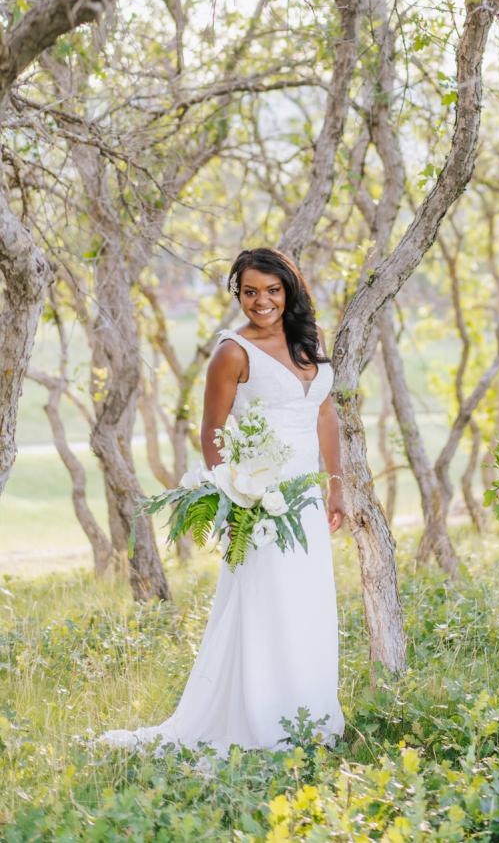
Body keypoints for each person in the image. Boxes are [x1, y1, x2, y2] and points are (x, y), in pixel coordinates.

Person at [100, 246, 346, 755]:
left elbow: (323, 414)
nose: (261, 301)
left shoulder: (309, 339)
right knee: (267, 608)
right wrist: (233, 499)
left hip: (306, 499)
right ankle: (261, 721)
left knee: (308, 604)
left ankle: (308, 716)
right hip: (261, 502)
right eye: (250, 291)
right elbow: (212, 430)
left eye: (272, 290)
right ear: (238, 294)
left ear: (288, 291)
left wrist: (336, 484)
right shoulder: (233, 351)